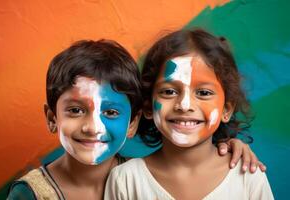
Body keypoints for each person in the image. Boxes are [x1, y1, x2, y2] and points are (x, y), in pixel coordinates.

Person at [8, 39, 265, 200]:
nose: (92, 127)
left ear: (133, 122)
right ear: (52, 118)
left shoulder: (133, 176)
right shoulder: (30, 193)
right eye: (75, 110)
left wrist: (231, 144)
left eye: (110, 113)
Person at [105, 29, 274, 200]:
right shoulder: (125, 179)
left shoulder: (248, 177)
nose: (184, 105)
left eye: (204, 93)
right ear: (148, 107)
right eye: (169, 91)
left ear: (226, 110)